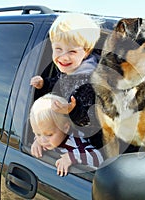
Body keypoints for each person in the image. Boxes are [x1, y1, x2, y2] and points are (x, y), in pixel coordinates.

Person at [30, 13, 102, 144]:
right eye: (58, 49)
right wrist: (44, 84)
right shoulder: (68, 71)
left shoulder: (91, 81)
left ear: (86, 52)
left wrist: (72, 111)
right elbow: (57, 84)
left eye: (72, 51)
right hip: (64, 135)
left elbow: (93, 121)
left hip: (86, 144)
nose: (63, 57)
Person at [29, 93, 104, 176]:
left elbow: (99, 157)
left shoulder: (76, 141)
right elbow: (41, 137)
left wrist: (71, 157)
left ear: (65, 128)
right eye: (38, 134)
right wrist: (36, 141)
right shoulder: (46, 141)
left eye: (49, 135)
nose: (42, 140)